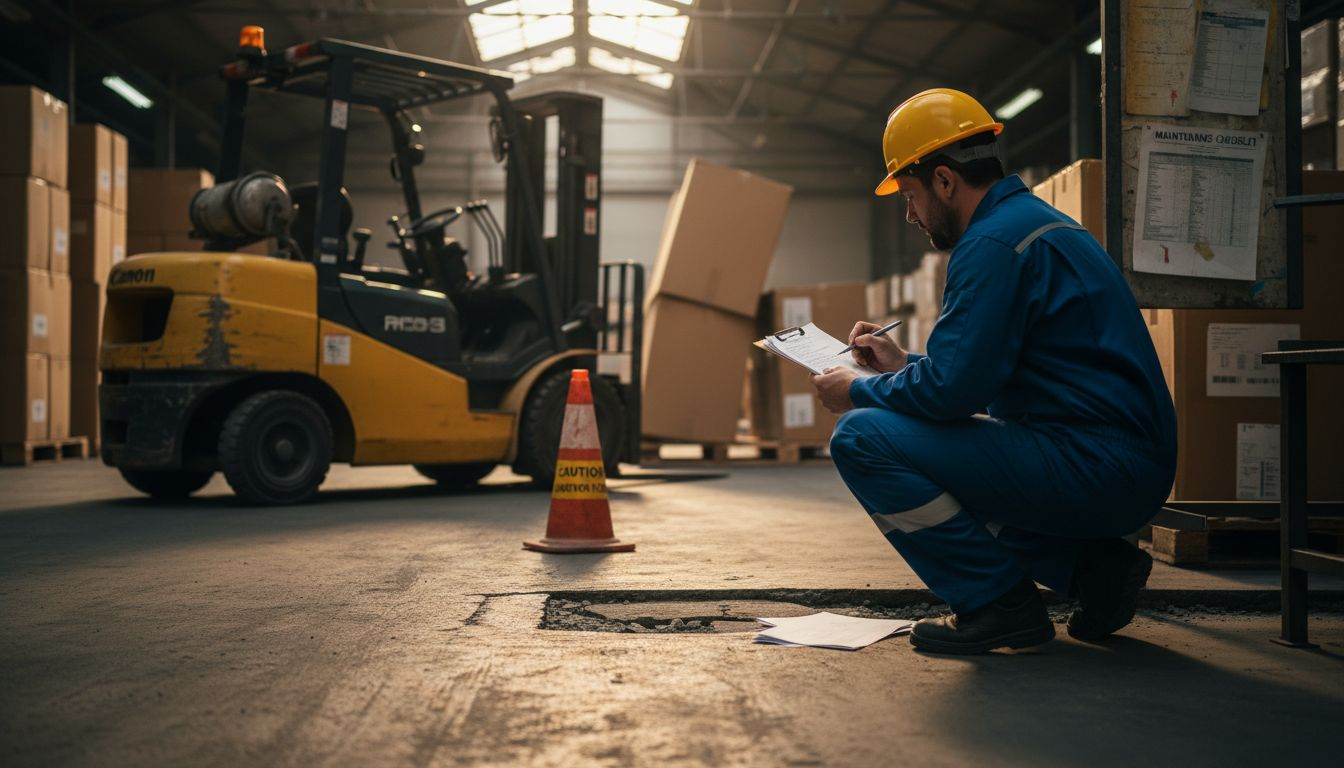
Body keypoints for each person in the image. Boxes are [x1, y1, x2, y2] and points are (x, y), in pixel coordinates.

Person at [811, 88, 1177, 655]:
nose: (909, 214)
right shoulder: (1033, 225)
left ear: (944, 181)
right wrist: (903, 365)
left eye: (909, 195)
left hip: (1097, 464)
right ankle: (1096, 571)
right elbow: (976, 371)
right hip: (1119, 461)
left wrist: (859, 390)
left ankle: (999, 605)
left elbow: (953, 394)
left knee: (864, 438)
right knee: (936, 453)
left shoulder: (991, 246)